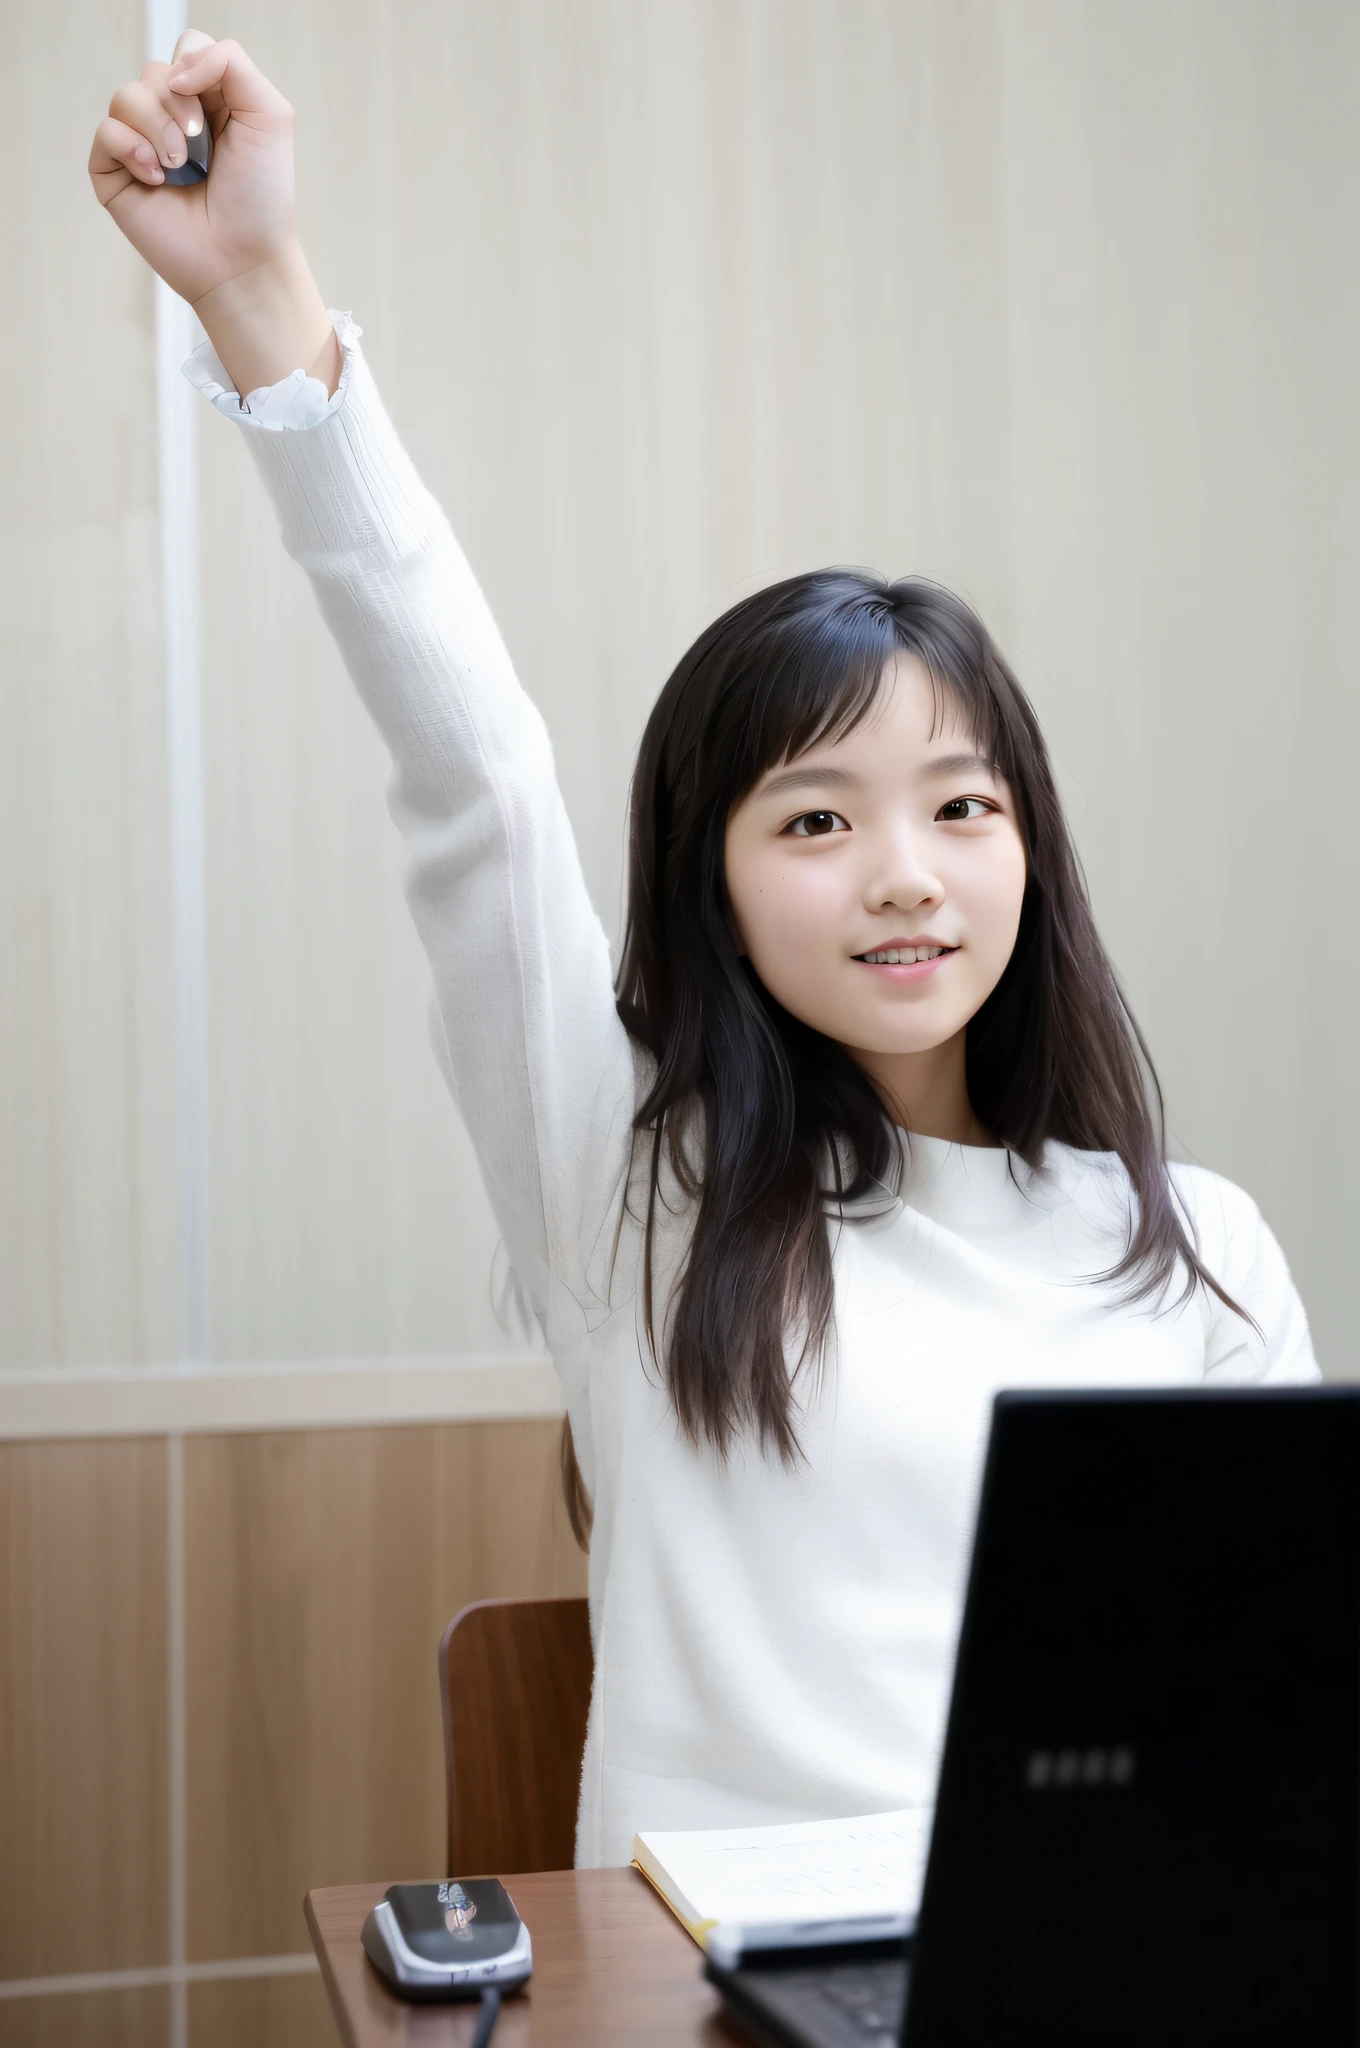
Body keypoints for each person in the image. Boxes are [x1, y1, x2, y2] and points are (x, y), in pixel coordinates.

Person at [89, 32, 1318, 1869]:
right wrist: (263, 291)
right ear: (715, 885)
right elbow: (477, 778)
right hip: (706, 1992)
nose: (905, 873)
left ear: (1030, 852)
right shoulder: (627, 1185)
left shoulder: (1195, 1248)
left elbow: (1280, 1706)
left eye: (962, 808)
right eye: (818, 820)